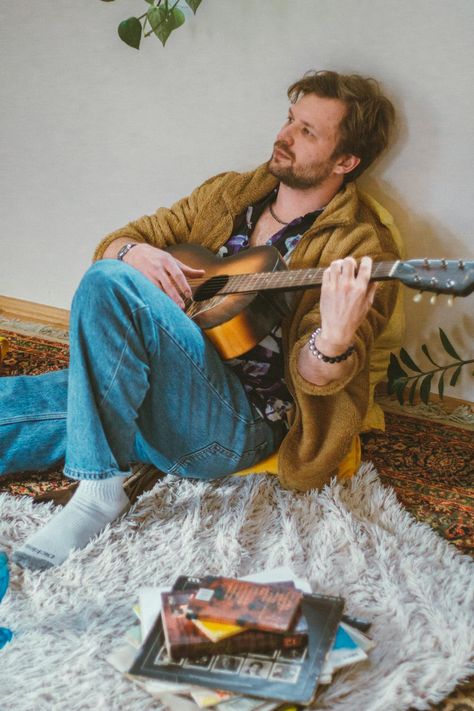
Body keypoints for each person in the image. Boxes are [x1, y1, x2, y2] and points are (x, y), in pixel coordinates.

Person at [1, 70, 400, 571]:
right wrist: (133, 251)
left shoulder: (359, 249)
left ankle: (98, 493)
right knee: (19, 399)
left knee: (107, 281)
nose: (284, 136)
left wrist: (335, 339)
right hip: (149, 388)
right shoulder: (230, 194)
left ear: (346, 161)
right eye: (290, 120)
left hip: (233, 425)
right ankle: (106, 446)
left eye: (308, 132)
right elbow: (121, 240)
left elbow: (318, 376)